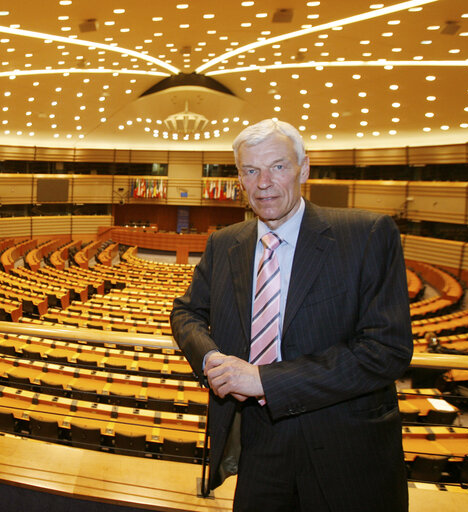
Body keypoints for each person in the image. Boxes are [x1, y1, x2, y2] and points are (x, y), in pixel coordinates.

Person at [171, 119, 413, 511]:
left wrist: (265, 380)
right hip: (259, 444)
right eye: (251, 170)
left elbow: (386, 350)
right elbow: (187, 312)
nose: (263, 182)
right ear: (240, 178)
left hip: (345, 447)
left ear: (305, 168)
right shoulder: (224, 242)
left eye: (278, 166)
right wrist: (211, 359)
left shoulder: (367, 234)